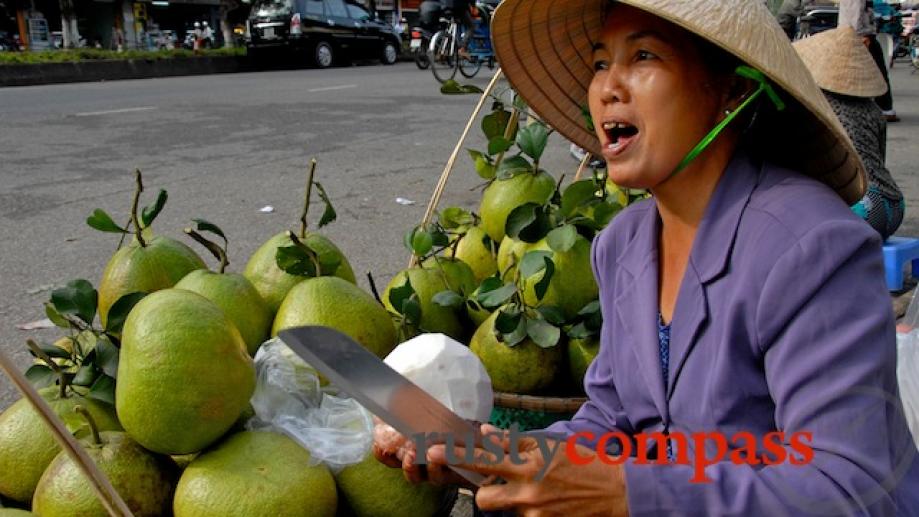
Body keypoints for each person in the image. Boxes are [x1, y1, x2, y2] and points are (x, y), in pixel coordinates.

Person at [374, 0, 919, 514]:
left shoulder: (811, 245)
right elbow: (612, 422)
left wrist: (629, 496)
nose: (608, 87)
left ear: (728, 90)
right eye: (599, 63)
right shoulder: (624, 244)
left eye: (643, 57)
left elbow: (852, 488)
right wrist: (504, 455)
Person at [794, 26, 905, 240]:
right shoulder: (874, 110)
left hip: (861, 206)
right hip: (894, 206)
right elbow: (878, 160)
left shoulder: (819, 105)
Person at [842, 0, 900, 121]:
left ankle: (881, 107)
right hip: (861, 34)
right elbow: (856, 11)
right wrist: (860, 34)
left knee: (856, 71)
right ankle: (885, 108)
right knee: (877, 71)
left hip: (853, 33)